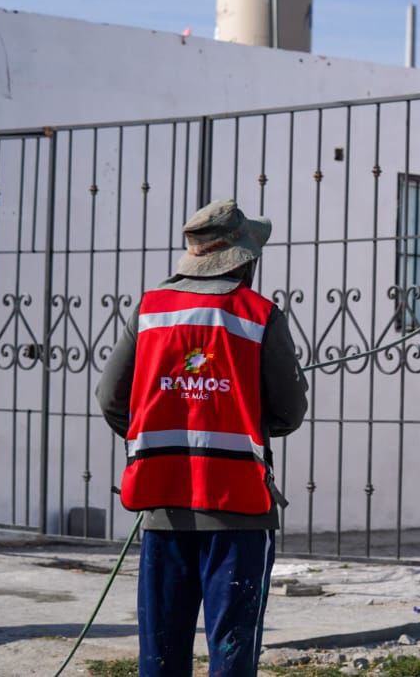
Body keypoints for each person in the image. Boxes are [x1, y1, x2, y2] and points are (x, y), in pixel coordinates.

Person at [96, 198, 308, 677]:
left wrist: (161, 435)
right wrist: (234, 416)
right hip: (238, 512)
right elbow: (290, 412)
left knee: (161, 655)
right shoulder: (259, 316)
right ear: (245, 259)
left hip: (163, 506)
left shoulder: (150, 312)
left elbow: (111, 399)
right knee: (231, 653)